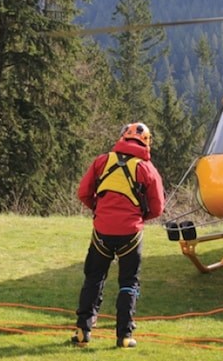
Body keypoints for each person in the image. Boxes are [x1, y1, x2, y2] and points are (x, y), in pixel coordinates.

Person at [71, 122, 165, 348]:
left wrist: (99, 209)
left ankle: (83, 330)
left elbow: (83, 192)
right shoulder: (146, 169)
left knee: (93, 278)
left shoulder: (102, 162)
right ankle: (124, 335)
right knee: (129, 283)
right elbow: (158, 207)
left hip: (102, 231)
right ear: (147, 142)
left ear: (122, 137)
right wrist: (139, 218)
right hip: (131, 234)